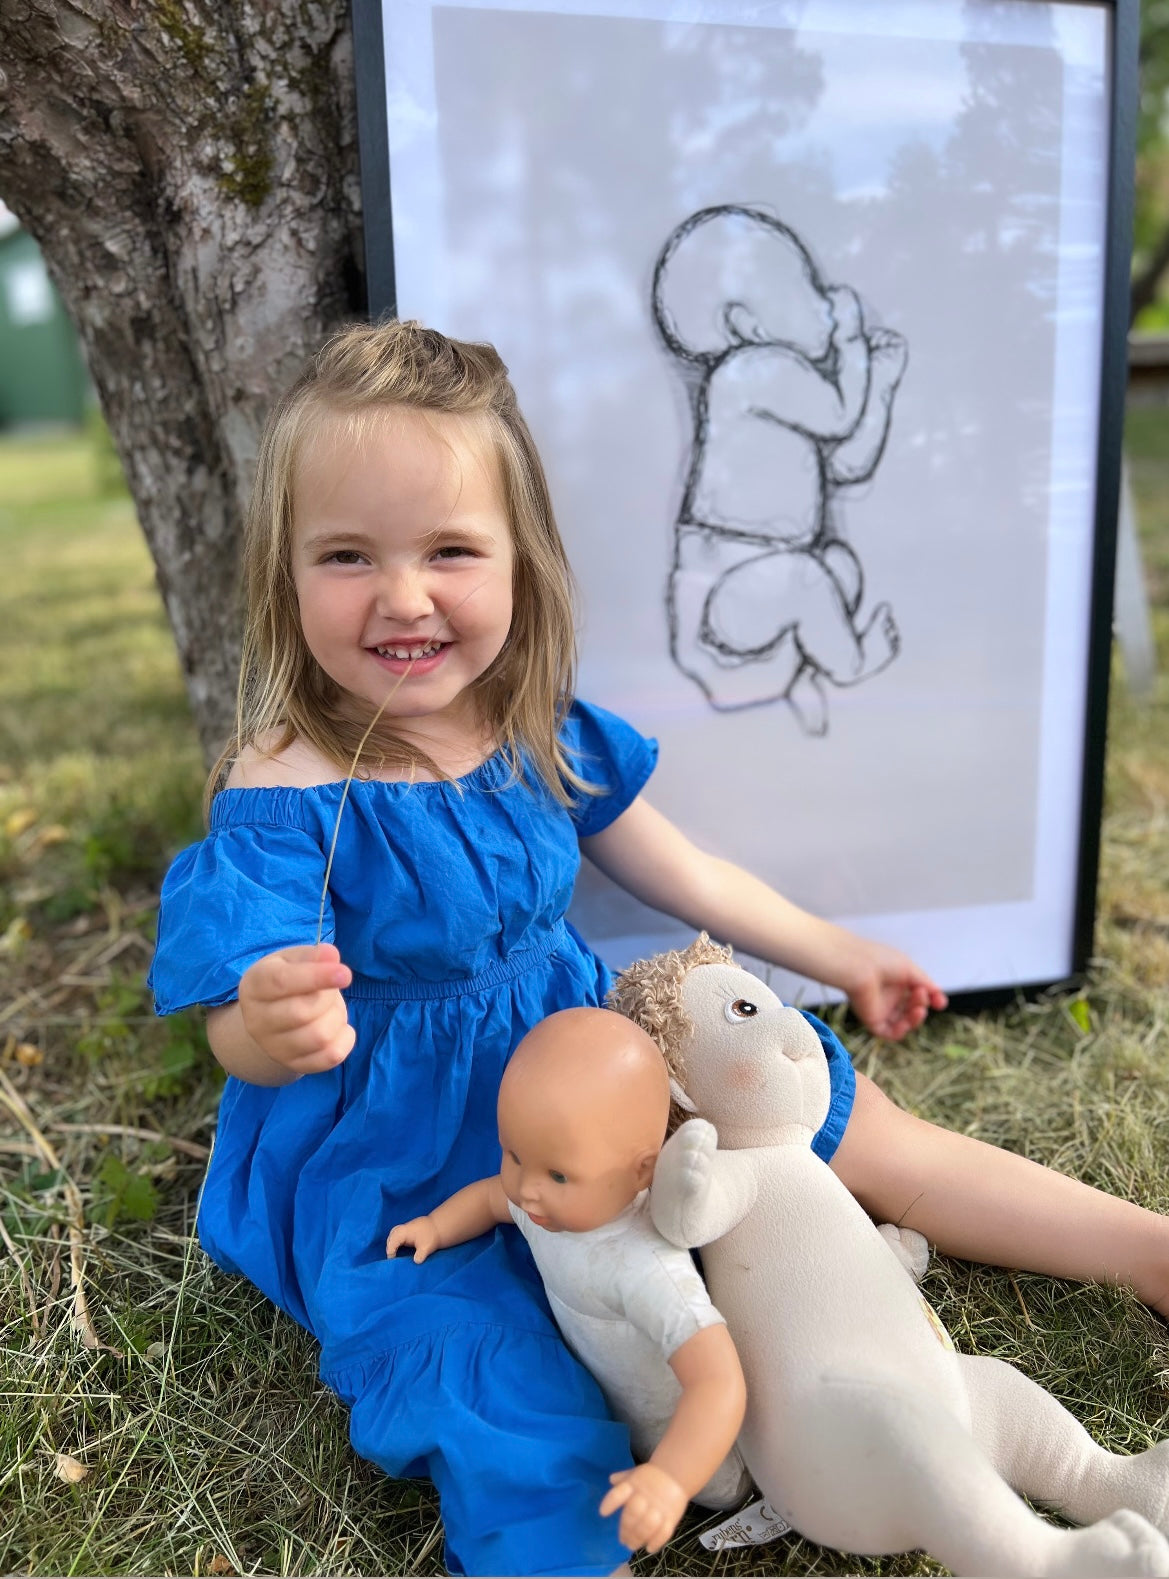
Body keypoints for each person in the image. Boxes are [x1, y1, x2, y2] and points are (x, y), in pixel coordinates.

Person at [148, 318, 1169, 1577]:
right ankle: (559, 1543)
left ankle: (1143, 1245)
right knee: (485, 1352)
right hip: (404, 1129)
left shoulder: (534, 728)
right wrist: (267, 1017)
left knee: (837, 1138)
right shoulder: (288, 784)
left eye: (449, 551)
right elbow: (233, 1030)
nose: (402, 596)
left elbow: (688, 875)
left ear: (520, 562)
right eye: (347, 555)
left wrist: (837, 953)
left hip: (596, 1050)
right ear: (283, 574)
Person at [387, 1006, 750, 1557]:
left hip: (687, 1437)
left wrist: (673, 1477)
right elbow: (492, 1197)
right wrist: (435, 1226)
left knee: (719, 1489)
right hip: (604, 1405)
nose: (528, 1191)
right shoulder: (549, 1205)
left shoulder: (646, 1266)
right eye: (513, 1154)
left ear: (641, 1172)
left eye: (557, 1174)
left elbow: (719, 1382)